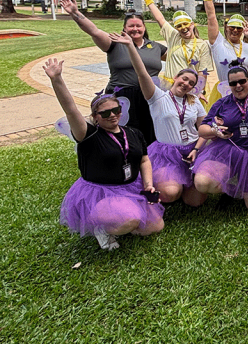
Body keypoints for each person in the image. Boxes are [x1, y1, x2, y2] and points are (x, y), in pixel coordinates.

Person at [43, 58, 164, 251]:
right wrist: (57, 80)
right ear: (95, 117)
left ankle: (120, 219)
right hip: (100, 191)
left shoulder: (133, 133)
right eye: (105, 113)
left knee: (155, 227)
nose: (112, 115)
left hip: (130, 187)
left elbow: (144, 159)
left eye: (116, 110)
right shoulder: (88, 135)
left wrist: (148, 185)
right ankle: (102, 227)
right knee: (131, 220)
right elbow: (71, 109)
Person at [109, 31, 208, 206]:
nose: (186, 84)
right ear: (175, 77)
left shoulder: (194, 101)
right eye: (184, 79)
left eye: (191, 83)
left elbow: (204, 129)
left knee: (195, 203)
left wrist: (197, 149)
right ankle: (172, 185)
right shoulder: (157, 97)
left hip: (192, 151)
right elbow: (142, 73)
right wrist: (130, 46)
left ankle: (186, 181)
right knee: (170, 194)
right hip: (167, 153)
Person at [192, 20, 248, 212]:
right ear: (228, 85)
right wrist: (215, 131)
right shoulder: (222, 103)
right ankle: (230, 184)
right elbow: (202, 129)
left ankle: (244, 183)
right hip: (230, 151)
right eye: (233, 83)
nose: (238, 86)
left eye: (242, 81)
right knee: (202, 182)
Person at [60, 0, 166, 145]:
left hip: (150, 97)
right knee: (123, 135)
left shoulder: (155, 47)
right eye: (131, 26)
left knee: (152, 133)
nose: (135, 29)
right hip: (122, 96)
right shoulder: (114, 43)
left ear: (144, 27)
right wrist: (75, 13)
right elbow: (94, 31)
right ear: (124, 28)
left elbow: (179, 56)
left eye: (138, 25)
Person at [198, 0, 248, 106]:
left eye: (239, 28)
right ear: (226, 27)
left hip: (246, 94)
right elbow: (211, 17)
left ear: (243, 30)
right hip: (225, 93)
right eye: (232, 27)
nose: (235, 30)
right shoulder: (218, 43)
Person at [143, 0, 214, 83]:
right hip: (170, 86)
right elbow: (160, 19)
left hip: (189, 86)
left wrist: (198, 89)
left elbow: (203, 72)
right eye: (179, 26)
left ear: (192, 24)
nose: (183, 28)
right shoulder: (173, 36)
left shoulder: (202, 45)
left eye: (185, 24)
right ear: (176, 28)